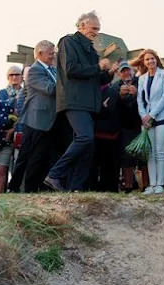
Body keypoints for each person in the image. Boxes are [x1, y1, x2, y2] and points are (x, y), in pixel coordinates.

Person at [44, 11, 118, 192]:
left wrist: (108, 73)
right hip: (75, 101)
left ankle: (76, 189)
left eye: (98, 29)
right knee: (85, 138)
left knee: (88, 147)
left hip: (89, 104)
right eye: (94, 28)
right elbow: (71, 69)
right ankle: (54, 174)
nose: (96, 32)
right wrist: (97, 66)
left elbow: (96, 79)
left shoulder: (91, 50)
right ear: (81, 26)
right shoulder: (68, 42)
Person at [8, 41, 57, 193]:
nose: (53, 56)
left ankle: (33, 187)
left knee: (40, 155)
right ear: (40, 54)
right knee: (27, 156)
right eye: (50, 53)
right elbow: (50, 89)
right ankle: (17, 188)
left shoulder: (52, 70)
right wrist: (68, 80)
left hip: (48, 119)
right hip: (35, 118)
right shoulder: (35, 70)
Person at [137, 49, 164, 195]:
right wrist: (143, 116)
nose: (150, 61)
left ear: (156, 59)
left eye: (152, 59)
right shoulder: (142, 78)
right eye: (147, 59)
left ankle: (160, 184)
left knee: (159, 152)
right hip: (147, 120)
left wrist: (152, 114)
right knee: (150, 154)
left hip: (163, 117)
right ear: (144, 62)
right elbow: (140, 99)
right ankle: (151, 185)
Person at [114, 61, 140, 193]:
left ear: (132, 70)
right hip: (123, 127)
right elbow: (112, 107)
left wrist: (136, 94)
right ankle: (128, 185)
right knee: (126, 157)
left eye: (128, 70)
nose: (126, 73)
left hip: (140, 126)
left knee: (142, 157)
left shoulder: (140, 82)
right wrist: (119, 96)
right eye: (123, 71)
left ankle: (144, 185)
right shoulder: (116, 86)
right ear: (119, 74)